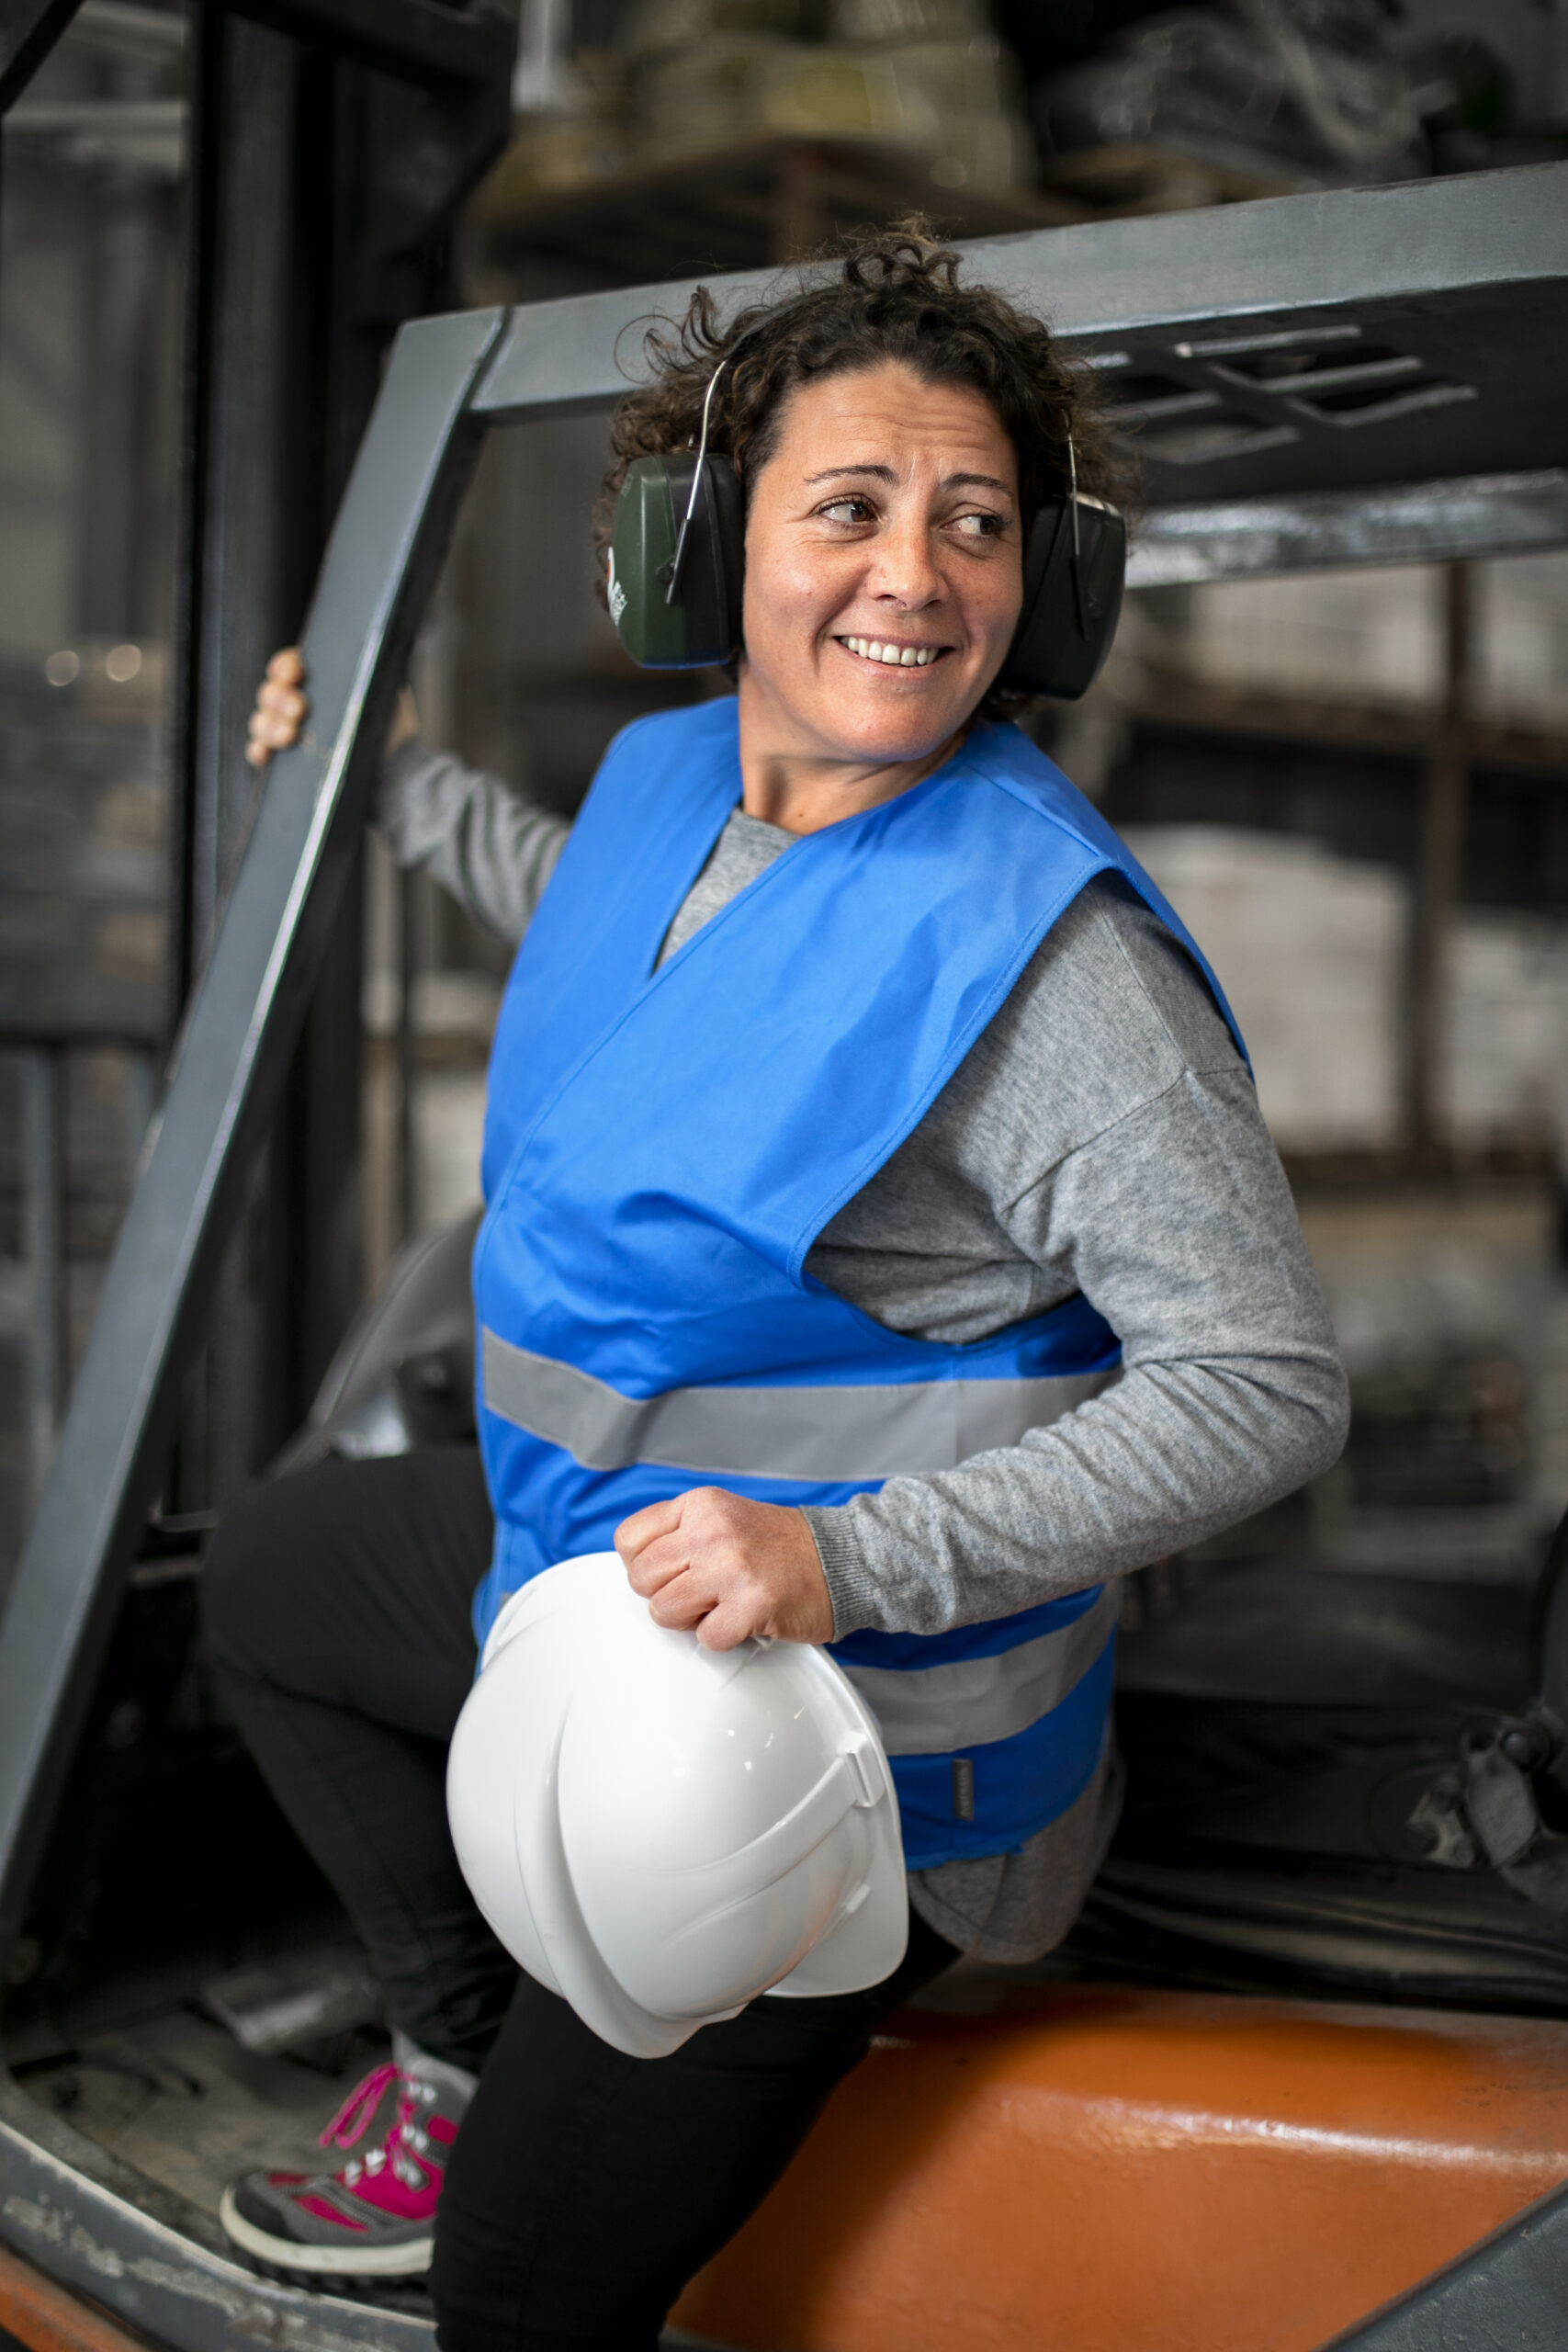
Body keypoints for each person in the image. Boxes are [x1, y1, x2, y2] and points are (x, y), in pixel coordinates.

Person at [202, 224, 1348, 2350]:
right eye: (850, 507)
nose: (916, 574)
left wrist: (847, 1562)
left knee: (518, 2293)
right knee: (263, 1580)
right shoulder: (670, 784)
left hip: (855, 1743)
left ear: (1041, 584)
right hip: (610, 1575)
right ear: (704, 547)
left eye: (975, 522)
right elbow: (598, 918)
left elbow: (1263, 1381)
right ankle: (458, 2043)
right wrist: (375, 781)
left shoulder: (1049, 962)